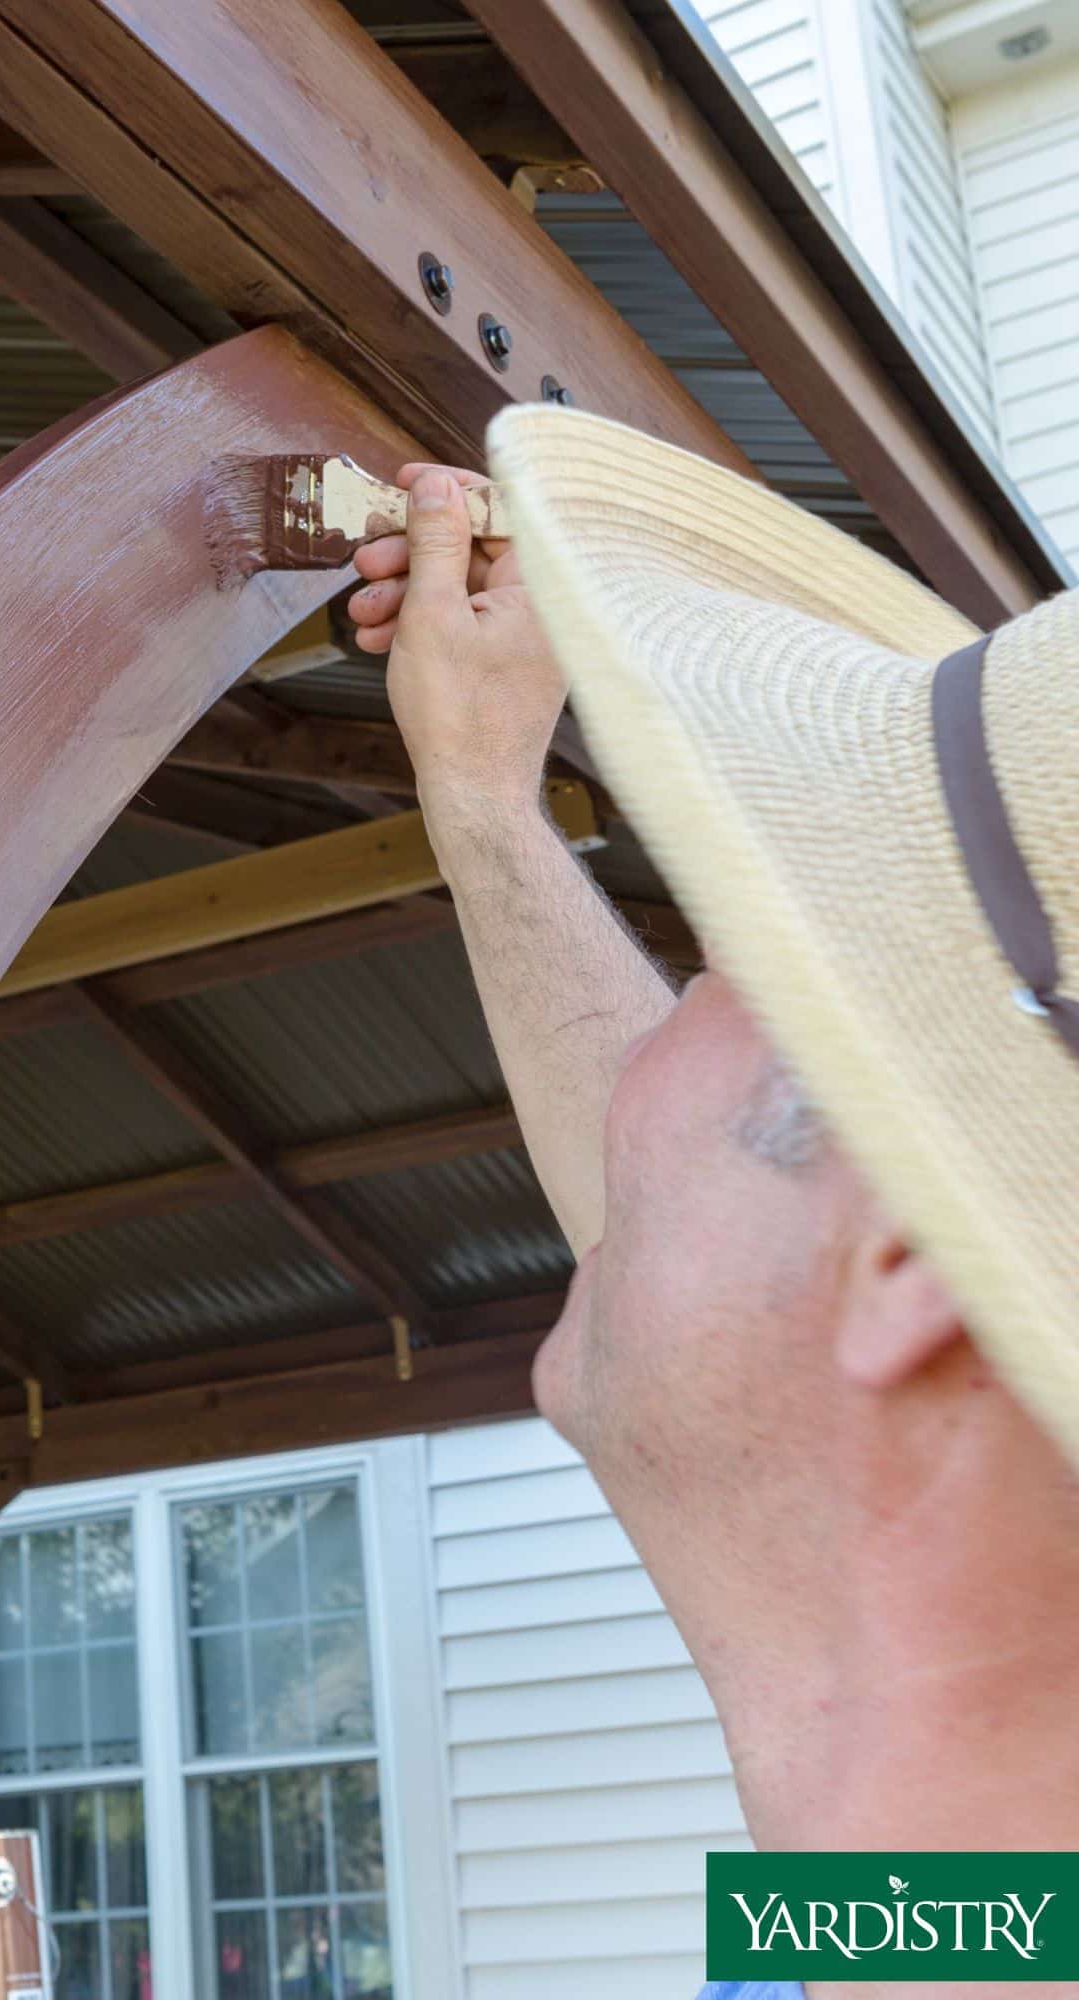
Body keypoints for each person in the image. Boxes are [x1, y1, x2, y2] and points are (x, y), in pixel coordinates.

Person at [343, 418, 1079, 2000]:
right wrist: (482, 808)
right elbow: (709, 1255)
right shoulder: (926, 1913)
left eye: (749, 956)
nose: (666, 1018)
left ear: (900, 1265)